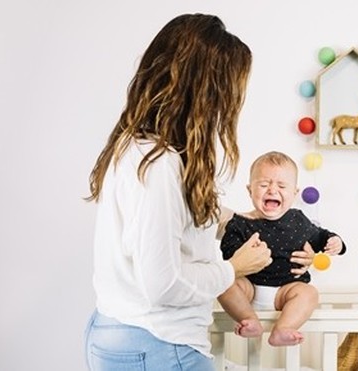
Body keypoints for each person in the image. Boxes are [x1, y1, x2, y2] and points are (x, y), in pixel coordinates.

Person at [83, 14, 313, 370]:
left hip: (123, 334)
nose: (226, 110)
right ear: (205, 92)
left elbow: (173, 224)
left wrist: (241, 219)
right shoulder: (159, 164)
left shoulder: (135, 148)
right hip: (158, 342)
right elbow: (164, 283)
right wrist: (233, 268)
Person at [218, 151, 347, 346]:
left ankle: (284, 328)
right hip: (249, 289)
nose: (272, 190)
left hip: (285, 292)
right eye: (263, 185)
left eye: (281, 186)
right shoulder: (239, 223)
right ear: (250, 190)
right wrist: (242, 251)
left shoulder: (298, 220)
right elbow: (228, 255)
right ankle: (248, 318)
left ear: (294, 193)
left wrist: (335, 241)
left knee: (309, 293)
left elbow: (319, 236)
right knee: (223, 281)